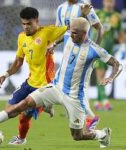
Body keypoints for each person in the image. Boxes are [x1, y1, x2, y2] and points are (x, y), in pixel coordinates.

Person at [0, 17, 123, 148]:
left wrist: (111, 77)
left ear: (85, 33)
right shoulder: (68, 36)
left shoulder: (95, 50)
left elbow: (118, 64)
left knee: (78, 136)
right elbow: (63, 36)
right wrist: (53, 45)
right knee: (24, 104)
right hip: (56, 87)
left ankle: (102, 134)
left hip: (74, 97)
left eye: (75, 33)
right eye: (70, 31)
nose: (70, 35)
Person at [0, 7, 67, 145]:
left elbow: (69, 29)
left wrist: (55, 43)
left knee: (23, 115)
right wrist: (5, 74)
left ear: (37, 21)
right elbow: (18, 62)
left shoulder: (47, 32)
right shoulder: (21, 37)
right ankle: (46, 106)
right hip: (30, 82)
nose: (26, 27)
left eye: (29, 24)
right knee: (8, 109)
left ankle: (21, 139)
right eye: (24, 24)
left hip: (45, 86)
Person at [53, 0, 103, 130]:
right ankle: (87, 117)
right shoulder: (60, 8)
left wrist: (95, 51)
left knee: (76, 88)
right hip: (68, 53)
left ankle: (90, 118)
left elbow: (99, 27)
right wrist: (52, 44)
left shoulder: (85, 7)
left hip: (84, 54)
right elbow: (61, 31)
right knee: (62, 86)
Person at [93, 0, 122, 111]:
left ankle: (98, 101)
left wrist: (120, 45)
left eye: (111, 1)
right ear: (104, 2)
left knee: (103, 74)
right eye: (107, 1)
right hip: (99, 48)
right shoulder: (98, 14)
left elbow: (120, 34)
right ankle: (105, 100)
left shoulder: (117, 16)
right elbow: (91, 30)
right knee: (100, 74)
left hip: (109, 51)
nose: (109, 3)